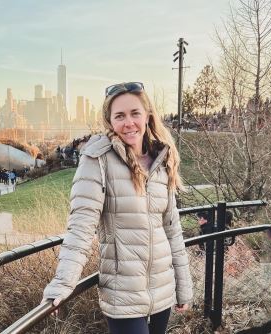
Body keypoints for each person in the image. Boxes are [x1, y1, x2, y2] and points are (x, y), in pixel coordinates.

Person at [42, 82, 193, 334]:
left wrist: (183, 287)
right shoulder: (97, 160)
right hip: (123, 295)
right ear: (110, 121)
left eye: (135, 113)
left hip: (162, 290)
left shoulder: (162, 160)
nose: (129, 123)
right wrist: (62, 283)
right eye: (119, 116)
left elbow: (172, 230)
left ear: (147, 116)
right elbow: (80, 227)